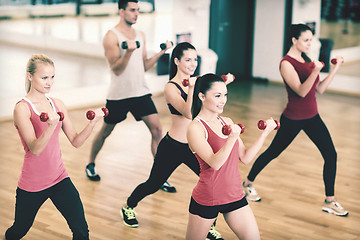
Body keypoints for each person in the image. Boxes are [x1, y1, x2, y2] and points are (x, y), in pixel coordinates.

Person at [121, 42, 228, 240]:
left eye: (195, 59)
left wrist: (224, 84)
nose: (193, 64)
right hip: (173, 146)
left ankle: (209, 226)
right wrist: (193, 89)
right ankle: (129, 206)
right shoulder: (171, 87)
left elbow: (211, 100)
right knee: (154, 184)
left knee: (211, 182)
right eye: (188, 60)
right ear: (177, 61)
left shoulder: (198, 83)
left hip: (194, 146)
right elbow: (189, 113)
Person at [242, 23, 348, 217]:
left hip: (312, 116)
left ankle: (330, 201)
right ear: (294, 40)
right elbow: (301, 91)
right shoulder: (286, 63)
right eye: (306, 40)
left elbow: (320, 89)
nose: (309, 43)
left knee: (330, 155)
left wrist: (334, 68)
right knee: (273, 151)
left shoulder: (307, 58)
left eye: (311, 40)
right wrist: (315, 71)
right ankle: (248, 184)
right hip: (293, 118)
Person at [5, 54, 104, 240]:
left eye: (52, 77)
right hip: (33, 184)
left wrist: (93, 122)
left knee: (81, 231)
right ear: (29, 76)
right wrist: (51, 126)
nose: (49, 82)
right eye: (44, 78)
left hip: (59, 178)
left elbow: (75, 141)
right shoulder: (22, 108)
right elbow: (35, 148)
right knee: (19, 230)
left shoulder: (57, 104)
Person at [85, 0, 176, 192]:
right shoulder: (111, 36)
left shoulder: (140, 35)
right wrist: (128, 52)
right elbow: (116, 69)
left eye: (138, 10)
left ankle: (160, 177)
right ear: (121, 11)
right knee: (105, 132)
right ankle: (91, 164)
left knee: (157, 130)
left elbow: (144, 65)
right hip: (119, 96)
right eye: (132, 10)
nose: (136, 14)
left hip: (140, 92)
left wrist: (162, 51)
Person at [186, 73, 277, 240]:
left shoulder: (226, 121)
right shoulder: (195, 128)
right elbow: (215, 163)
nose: (223, 100)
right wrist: (232, 138)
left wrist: (265, 133)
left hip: (235, 195)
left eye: (225, 95)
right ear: (201, 96)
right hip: (208, 198)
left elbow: (245, 157)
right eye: (218, 95)